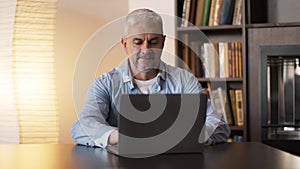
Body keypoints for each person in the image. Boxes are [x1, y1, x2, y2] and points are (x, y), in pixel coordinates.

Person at [71, 8, 230, 148]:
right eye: (138, 42)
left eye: (153, 42)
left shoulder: (184, 80)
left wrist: (189, 136)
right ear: (125, 44)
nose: (146, 49)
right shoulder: (105, 84)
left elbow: (219, 125)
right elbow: (82, 127)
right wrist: (119, 136)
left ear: (163, 42)